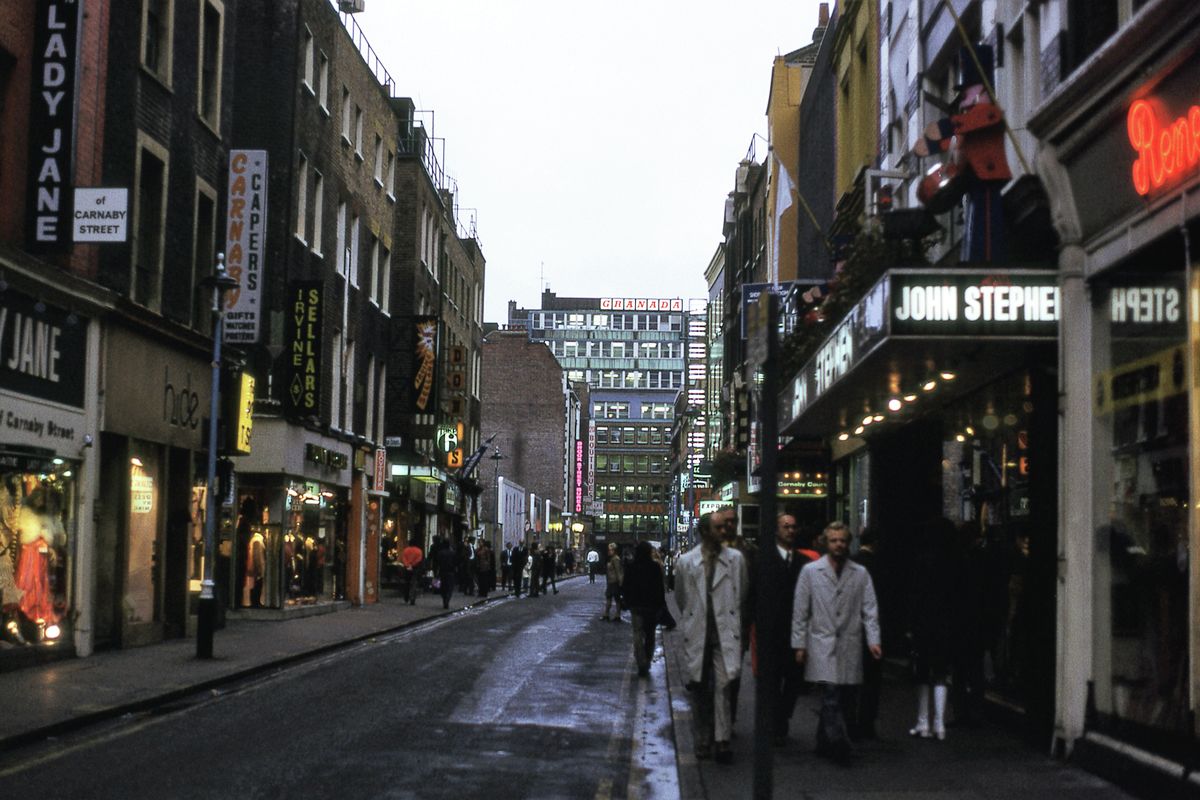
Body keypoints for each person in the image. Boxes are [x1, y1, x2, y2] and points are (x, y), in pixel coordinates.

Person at [792, 520, 881, 763]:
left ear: (849, 542)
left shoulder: (860, 573)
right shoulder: (811, 572)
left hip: (850, 642)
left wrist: (874, 640)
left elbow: (869, 608)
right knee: (831, 695)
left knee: (846, 696)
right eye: (834, 540)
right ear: (826, 542)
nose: (839, 545)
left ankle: (823, 741)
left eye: (842, 540)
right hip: (822, 643)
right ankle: (839, 743)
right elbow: (801, 611)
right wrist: (799, 644)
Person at [676, 512, 749, 764]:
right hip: (698, 633)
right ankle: (702, 740)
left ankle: (722, 740)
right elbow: (682, 599)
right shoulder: (686, 562)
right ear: (705, 532)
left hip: (724, 633)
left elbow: (740, 595)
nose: (724, 530)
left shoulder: (736, 560)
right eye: (718, 527)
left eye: (725, 526)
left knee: (723, 687)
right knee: (699, 690)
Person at [757, 513, 809, 746]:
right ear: (777, 530)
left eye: (793, 526)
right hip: (771, 633)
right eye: (785, 526)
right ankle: (777, 723)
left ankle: (782, 715)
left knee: (794, 681)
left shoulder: (803, 563)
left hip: (796, 633)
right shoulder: (764, 560)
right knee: (772, 681)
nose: (790, 530)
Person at [907, 518, 957, 740]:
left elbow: (914, 595)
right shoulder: (953, 561)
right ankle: (940, 724)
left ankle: (923, 722)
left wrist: (910, 625)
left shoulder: (920, 561)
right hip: (945, 624)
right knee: (941, 673)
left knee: (922, 674)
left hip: (923, 623)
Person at [852, 526, 883, 739]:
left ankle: (851, 719)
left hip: (852, 628)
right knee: (872, 678)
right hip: (874, 627)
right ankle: (867, 722)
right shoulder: (879, 565)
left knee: (853, 676)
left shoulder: (852, 564)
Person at [623, 541, 666, 677]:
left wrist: (626, 601)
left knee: (637, 633)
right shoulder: (654, 567)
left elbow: (626, 586)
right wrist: (660, 604)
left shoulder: (631, 567)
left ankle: (641, 661)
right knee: (650, 634)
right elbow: (660, 588)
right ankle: (647, 659)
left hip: (636, 606)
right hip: (651, 606)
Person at [433, 536, 457, 610]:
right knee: (449, 587)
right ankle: (447, 599)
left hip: (442, 572)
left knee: (442, 587)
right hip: (450, 572)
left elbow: (437, 563)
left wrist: (436, 571)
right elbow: (456, 562)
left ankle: (444, 599)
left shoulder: (440, 553)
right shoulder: (453, 553)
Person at [400, 536, 424, 605]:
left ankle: (406, 597)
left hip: (407, 568)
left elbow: (403, 558)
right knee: (414, 583)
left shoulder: (406, 550)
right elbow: (418, 560)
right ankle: (412, 598)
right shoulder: (419, 551)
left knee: (407, 582)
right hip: (415, 568)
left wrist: (407, 565)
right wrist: (412, 565)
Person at [603, 543, 624, 621]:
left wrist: (620, 582)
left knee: (616, 598)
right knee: (609, 597)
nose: (609, 551)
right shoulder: (611, 559)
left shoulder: (616, 559)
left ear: (614, 551)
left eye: (610, 550)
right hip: (610, 582)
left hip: (615, 582)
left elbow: (619, 571)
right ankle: (606, 614)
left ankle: (617, 615)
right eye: (609, 550)